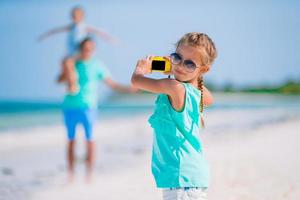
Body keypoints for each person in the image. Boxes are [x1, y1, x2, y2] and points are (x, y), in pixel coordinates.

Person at [131, 32, 217, 200]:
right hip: (190, 177)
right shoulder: (194, 91)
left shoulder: (174, 87)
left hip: (181, 179)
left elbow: (136, 81)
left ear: (203, 69)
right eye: (177, 58)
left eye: (190, 64)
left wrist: (141, 69)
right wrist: (189, 74)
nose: (181, 66)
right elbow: (210, 99)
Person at [59, 37, 136, 181]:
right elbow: (59, 80)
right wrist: (67, 68)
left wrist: (128, 89)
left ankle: (89, 175)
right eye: (85, 48)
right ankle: (71, 175)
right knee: (71, 140)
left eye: (90, 48)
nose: (87, 51)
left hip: (88, 107)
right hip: (69, 107)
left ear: (93, 50)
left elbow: (112, 84)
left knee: (90, 140)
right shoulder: (72, 63)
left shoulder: (97, 65)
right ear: (80, 48)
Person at [38, 6, 117, 93]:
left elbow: (98, 31)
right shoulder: (71, 27)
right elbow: (56, 30)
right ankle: (70, 84)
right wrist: (45, 35)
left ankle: (73, 85)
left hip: (79, 51)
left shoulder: (84, 26)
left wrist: (111, 39)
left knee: (68, 63)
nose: (74, 18)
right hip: (72, 53)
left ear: (82, 16)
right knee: (66, 65)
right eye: (73, 16)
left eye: (76, 16)